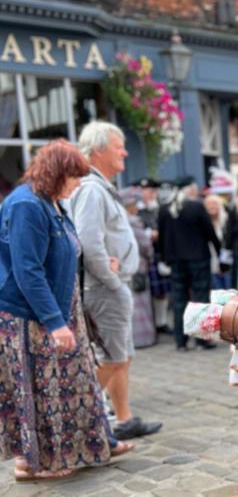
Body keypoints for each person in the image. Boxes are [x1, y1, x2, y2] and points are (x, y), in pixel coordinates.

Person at [0, 140, 133, 482]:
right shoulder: (27, 205)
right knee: (39, 388)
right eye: (73, 177)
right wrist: (54, 322)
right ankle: (32, 462)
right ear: (56, 172)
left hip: (61, 307)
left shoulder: (51, 202)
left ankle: (92, 443)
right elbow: (27, 269)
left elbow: (67, 249)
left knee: (77, 380)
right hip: (32, 315)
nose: (77, 185)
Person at [69, 121, 162, 442]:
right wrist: (110, 279)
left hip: (111, 285)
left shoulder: (98, 186)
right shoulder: (91, 188)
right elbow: (88, 242)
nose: (124, 151)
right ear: (97, 150)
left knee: (122, 355)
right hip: (104, 287)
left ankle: (123, 419)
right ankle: (74, 423)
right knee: (112, 357)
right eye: (118, 146)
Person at [158, 176, 220, 352]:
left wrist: (164, 257)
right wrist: (219, 248)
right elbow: (210, 232)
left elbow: (161, 238)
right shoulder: (196, 207)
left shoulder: (164, 210)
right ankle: (202, 340)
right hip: (198, 258)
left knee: (179, 299)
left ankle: (181, 341)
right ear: (189, 189)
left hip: (176, 260)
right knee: (200, 299)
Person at [120, 187, 157, 348]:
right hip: (138, 265)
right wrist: (150, 254)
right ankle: (143, 338)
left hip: (123, 265)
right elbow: (145, 244)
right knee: (140, 303)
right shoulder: (133, 221)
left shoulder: (118, 220)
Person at [136, 178, 171, 334]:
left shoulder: (160, 208)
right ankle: (151, 324)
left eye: (153, 191)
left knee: (161, 291)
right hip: (143, 255)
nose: (151, 194)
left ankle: (161, 322)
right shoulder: (135, 210)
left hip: (159, 253)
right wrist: (149, 234)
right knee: (146, 291)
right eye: (148, 191)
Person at [203, 193, 233, 289]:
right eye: (208, 204)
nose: (211, 207)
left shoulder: (227, 220)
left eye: (214, 203)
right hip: (211, 263)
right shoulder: (202, 223)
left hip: (227, 263)